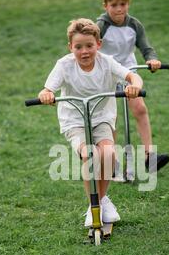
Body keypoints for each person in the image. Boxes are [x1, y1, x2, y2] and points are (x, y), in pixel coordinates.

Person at [38, 18, 143, 227]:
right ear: (70, 47)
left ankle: (100, 201)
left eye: (89, 46)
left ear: (98, 44)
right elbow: (47, 89)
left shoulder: (106, 62)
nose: (84, 51)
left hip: (101, 117)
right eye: (78, 47)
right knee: (89, 154)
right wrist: (46, 94)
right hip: (74, 119)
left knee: (108, 153)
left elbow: (132, 77)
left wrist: (135, 86)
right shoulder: (64, 65)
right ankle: (95, 204)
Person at [96, 0, 169, 172]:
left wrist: (152, 59)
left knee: (139, 108)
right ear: (106, 5)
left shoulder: (134, 25)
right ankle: (111, 159)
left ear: (128, 4)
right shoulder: (101, 25)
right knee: (109, 116)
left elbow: (146, 47)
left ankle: (149, 156)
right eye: (113, 5)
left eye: (123, 4)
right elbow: (92, 44)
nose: (119, 9)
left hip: (129, 71)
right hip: (107, 72)